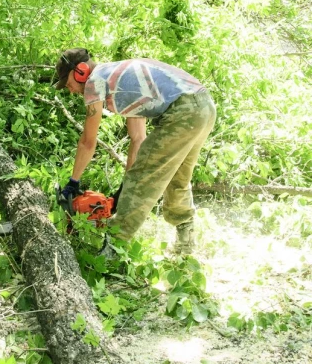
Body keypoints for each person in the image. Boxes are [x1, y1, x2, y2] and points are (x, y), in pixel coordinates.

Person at [55, 48, 216, 255]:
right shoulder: (121, 79)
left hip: (184, 111)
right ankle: (186, 242)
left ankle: (113, 250)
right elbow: (138, 138)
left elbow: (88, 141)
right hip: (203, 106)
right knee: (177, 177)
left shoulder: (95, 81)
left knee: (143, 178)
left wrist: (73, 182)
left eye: (69, 84)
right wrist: (124, 190)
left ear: (81, 71)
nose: (71, 91)